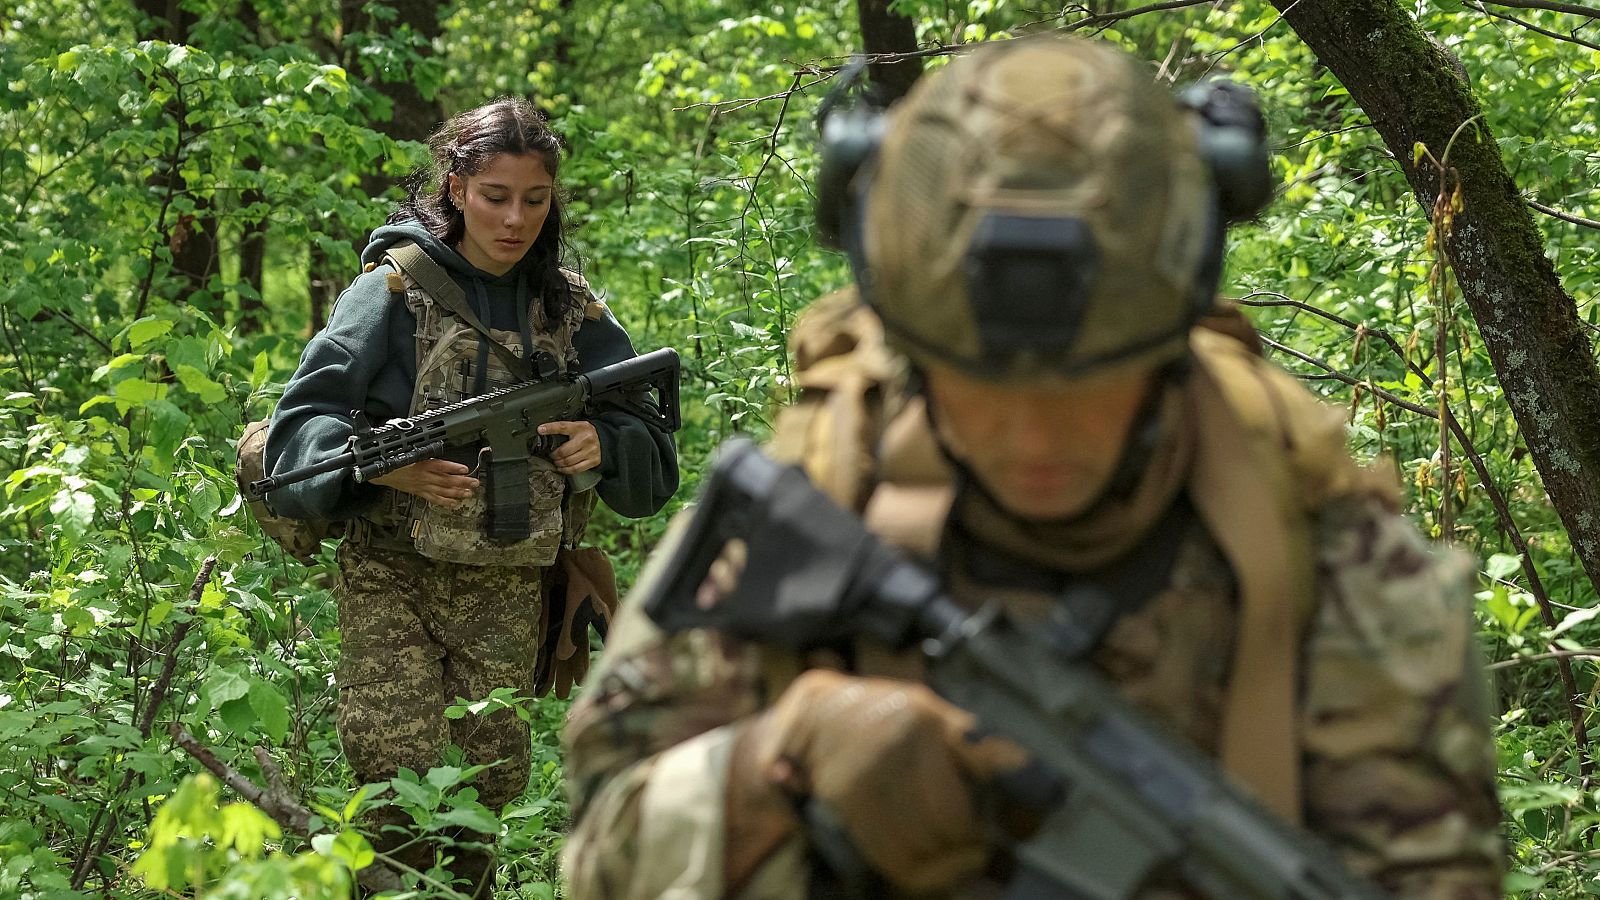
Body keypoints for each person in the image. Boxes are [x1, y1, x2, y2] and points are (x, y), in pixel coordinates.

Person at [559, 36, 1502, 899]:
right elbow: (598, 857)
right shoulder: (824, 491)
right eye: (981, 389)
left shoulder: (1339, 562)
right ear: (911, 355)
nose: (1036, 439)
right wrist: (776, 760)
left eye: (1090, 388)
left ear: (1171, 348)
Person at [263, 97, 678, 896]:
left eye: (534, 199)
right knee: (394, 774)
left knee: (490, 782)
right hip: (393, 574)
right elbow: (298, 429)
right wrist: (378, 467)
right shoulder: (389, 292)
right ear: (455, 188)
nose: (515, 219)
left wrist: (606, 445)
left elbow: (650, 457)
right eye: (495, 196)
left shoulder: (566, 305)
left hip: (510, 581)